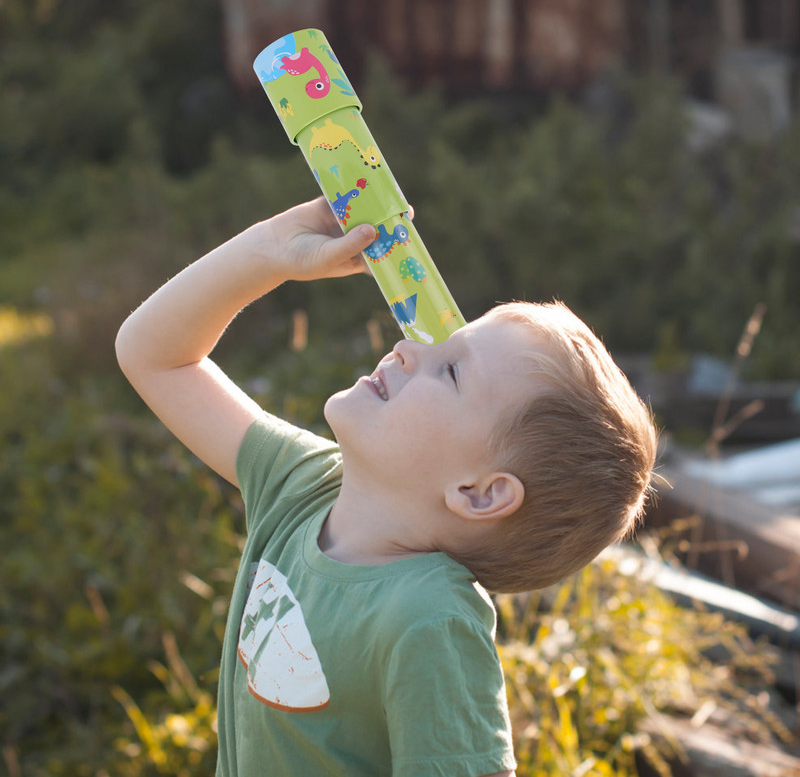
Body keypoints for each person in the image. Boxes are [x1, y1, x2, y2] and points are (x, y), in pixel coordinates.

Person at [115, 196, 657, 777]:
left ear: (479, 493)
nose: (409, 347)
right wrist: (270, 251)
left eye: (450, 369)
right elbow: (153, 355)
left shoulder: (429, 619)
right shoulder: (303, 486)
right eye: (438, 338)